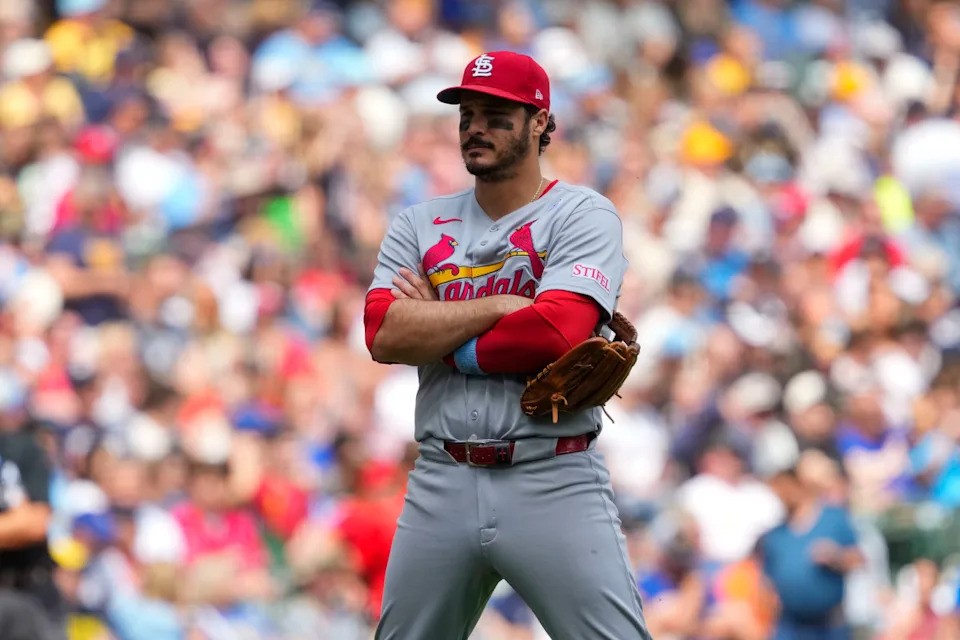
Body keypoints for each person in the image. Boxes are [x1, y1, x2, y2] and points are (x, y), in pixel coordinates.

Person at [363, 51, 652, 639]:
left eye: (496, 115)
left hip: (552, 474)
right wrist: (495, 307)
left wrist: (440, 330)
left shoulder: (581, 213)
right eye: (467, 114)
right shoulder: (418, 223)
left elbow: (556, 332)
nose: (476, 127)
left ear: (540, 121)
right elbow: (383, 333)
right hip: (442, 475)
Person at [759, 464, 865, 640]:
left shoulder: (833, 519)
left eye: (784, 487)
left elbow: (858, 559)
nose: (781, 495)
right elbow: (767, 580)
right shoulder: (776, 535)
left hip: (828, 625)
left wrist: (836, 557)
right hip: (790, 625)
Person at [0, 419, 66, 640]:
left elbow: (35, 523)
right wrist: (14, 522)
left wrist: (20, 523)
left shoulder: (20, 448)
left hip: (29, 589)